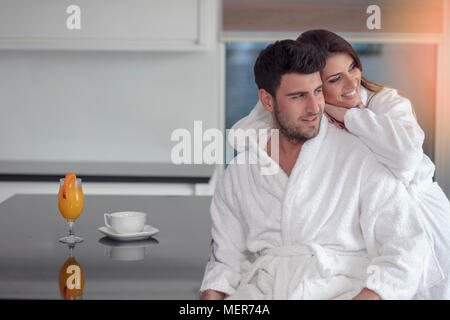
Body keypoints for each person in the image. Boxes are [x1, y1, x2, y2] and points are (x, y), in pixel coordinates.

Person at [199, 39, 427, 300]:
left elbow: (405, 248)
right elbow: (225, 261)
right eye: (298, 96)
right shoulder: (241, 172)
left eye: (317, 91)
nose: (314, 108)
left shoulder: (360, 156)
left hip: (341, 291)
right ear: (267, 100)